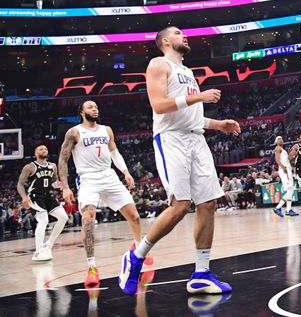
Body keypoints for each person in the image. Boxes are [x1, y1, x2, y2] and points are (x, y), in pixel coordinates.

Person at [118, 26, 241, 296]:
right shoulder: (158, 64)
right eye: (177, 33)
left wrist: (218, 124)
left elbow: (190, 116)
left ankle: (201, 274)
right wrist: (200, 96)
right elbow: (159, 105)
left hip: (195, 138)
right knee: (180, 205)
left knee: (208, 203)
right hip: (171, 139)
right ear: (165, 41)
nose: (184, 35)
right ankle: (136, 257)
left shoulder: (188, 72)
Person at [58, 100, 150, 288]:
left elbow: (115, 153)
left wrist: (125, 172)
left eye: (96, 107)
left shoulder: (106, 130)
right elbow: (63, 159)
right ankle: (92, 267)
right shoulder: (74, 132)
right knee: (87, 219)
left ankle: (137, 248)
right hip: (88, 179)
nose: (95, 109)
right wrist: (65, 187)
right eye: (90, 107)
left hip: (109, 176)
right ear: (81, 112)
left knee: (134, 216)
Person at [16, 145, 69, 262]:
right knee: (43, 220)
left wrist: (58, 185)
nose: (44, 150)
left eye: (45, 149)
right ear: (36, 153)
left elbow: (54, 182)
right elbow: (20, 184)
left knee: (64, 217)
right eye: (41, 149)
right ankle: (38, 251)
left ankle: (48, 244)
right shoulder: (30, 167)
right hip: (34, 196)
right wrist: (24, 197)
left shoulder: (53, 166)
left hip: (47, 196)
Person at [273, 137, 298, 217]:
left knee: (291, 190)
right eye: (279, 139)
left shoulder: (283, 151)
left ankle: (288, 210)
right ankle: (278, 208)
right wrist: (283, 167)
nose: (281, 140)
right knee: (290, 189)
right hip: (284, 170)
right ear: (276, 142)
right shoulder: (277, 148)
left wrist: (293, 157)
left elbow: (287, 160)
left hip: (288, 170)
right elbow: (277, 159)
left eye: (282, 139)